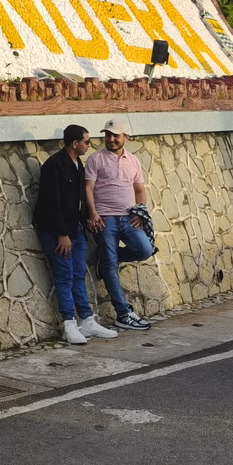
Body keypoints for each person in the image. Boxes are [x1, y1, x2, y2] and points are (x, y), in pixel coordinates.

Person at [33, 125, 118, 345]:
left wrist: (88, 219)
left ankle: (87, 320)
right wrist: (62, 234)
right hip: (57, 232)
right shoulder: (54, 166)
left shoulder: (78, 165)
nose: (89, 145)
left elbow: (78, 199)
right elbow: (52, 203)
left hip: (76, 229)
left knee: (78, 274)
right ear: (75, 143)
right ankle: (69, 324)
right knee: (65, 275)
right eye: (87, 142)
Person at [83, 118, 154, 331]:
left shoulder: (133, 160)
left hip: (127, 217)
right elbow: (88, 189)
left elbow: (140, 190)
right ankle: (123, 313)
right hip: (105, 219)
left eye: (115, 135)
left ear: (126, 138)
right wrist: (93, 214)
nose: (111, 139)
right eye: (108, 135)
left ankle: (105, 261)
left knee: (145, 250)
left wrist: (140, 213)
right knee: (111, 268)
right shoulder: (95, 159)